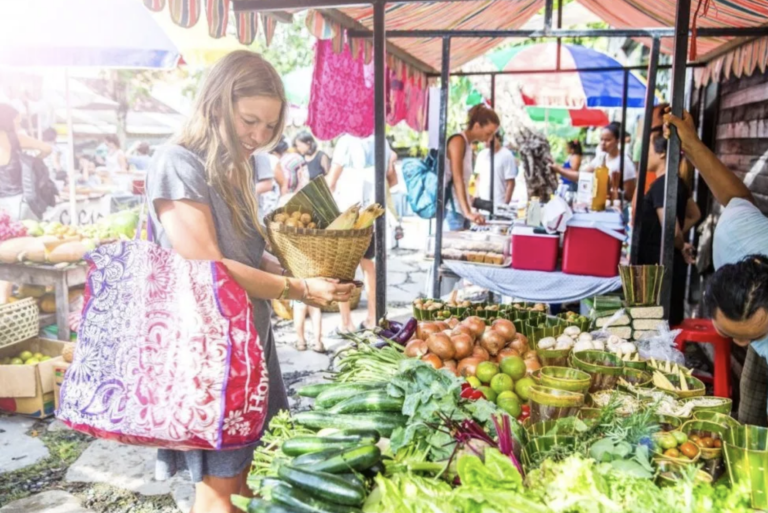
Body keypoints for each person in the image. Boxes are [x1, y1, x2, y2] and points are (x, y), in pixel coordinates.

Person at [146, 51, 353, 513]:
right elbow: (209, 266)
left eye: (269, 127)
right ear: (217, 103)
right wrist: (298, 291)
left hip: (250, 342)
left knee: (251, 474)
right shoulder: (176, 162)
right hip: (211, 353)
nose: (258, 136)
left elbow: (241, 250)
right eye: (249, 121)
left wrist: (288, 267)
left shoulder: (236, 166)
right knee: (222, 489)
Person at [661, 108, 768, 427]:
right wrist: (691, 143)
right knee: (749, 417)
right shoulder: (736, 236)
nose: (741, 345)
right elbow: (737, 196)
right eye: (733, 333)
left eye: (753, 335)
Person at [328, 134, 398, 333]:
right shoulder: (381, 140)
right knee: (369, 267)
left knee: (343, 271)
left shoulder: (346, 141)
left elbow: (331, 182)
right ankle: (372, 317)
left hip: (348, 216)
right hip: (371, 216)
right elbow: (390, 180)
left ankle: (346, 323)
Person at [631, 132, 701, 325]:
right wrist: (680, 243)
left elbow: (671, 230)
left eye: (648, 150)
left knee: (655, 325)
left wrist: (678, 244)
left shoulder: (664, 185)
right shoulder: (674, 182)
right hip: (664, 265)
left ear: (662, 153)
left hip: (659, 269)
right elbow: (695, 214)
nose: (644, 155)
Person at [445, 104, 500, 230]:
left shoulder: (468, 145)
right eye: (488, 133)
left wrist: (469, 209)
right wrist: (468, 212)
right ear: (476, 126)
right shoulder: (458, 141)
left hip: (461, 210)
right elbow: (458, 179)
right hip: (452, 210)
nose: (490, 138)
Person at [552, 122, 637, 202]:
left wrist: (611, 192)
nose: (603, 143)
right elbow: (581, 175)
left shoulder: (625, 163)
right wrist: (559, 170)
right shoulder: (601, 157)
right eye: (601, 139)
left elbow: (630, 195)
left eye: (607, 140)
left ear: (617, 141)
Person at [0, 103, 52, 220]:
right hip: (18, 200)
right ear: (8, 120)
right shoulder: (16, 138)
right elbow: (47, 148)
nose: (19, 125)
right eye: (17, 121)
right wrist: (34, 162)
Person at [475, 131, 517, 205]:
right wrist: (477, 198)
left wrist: (505, 204)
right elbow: (478, 178)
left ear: (497, 138)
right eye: (485, 140)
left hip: (499, 203)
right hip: (483, 204)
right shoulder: (481, 155)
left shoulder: (507, 155)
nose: (487, 143)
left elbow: (511, 183)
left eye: (489, 139)